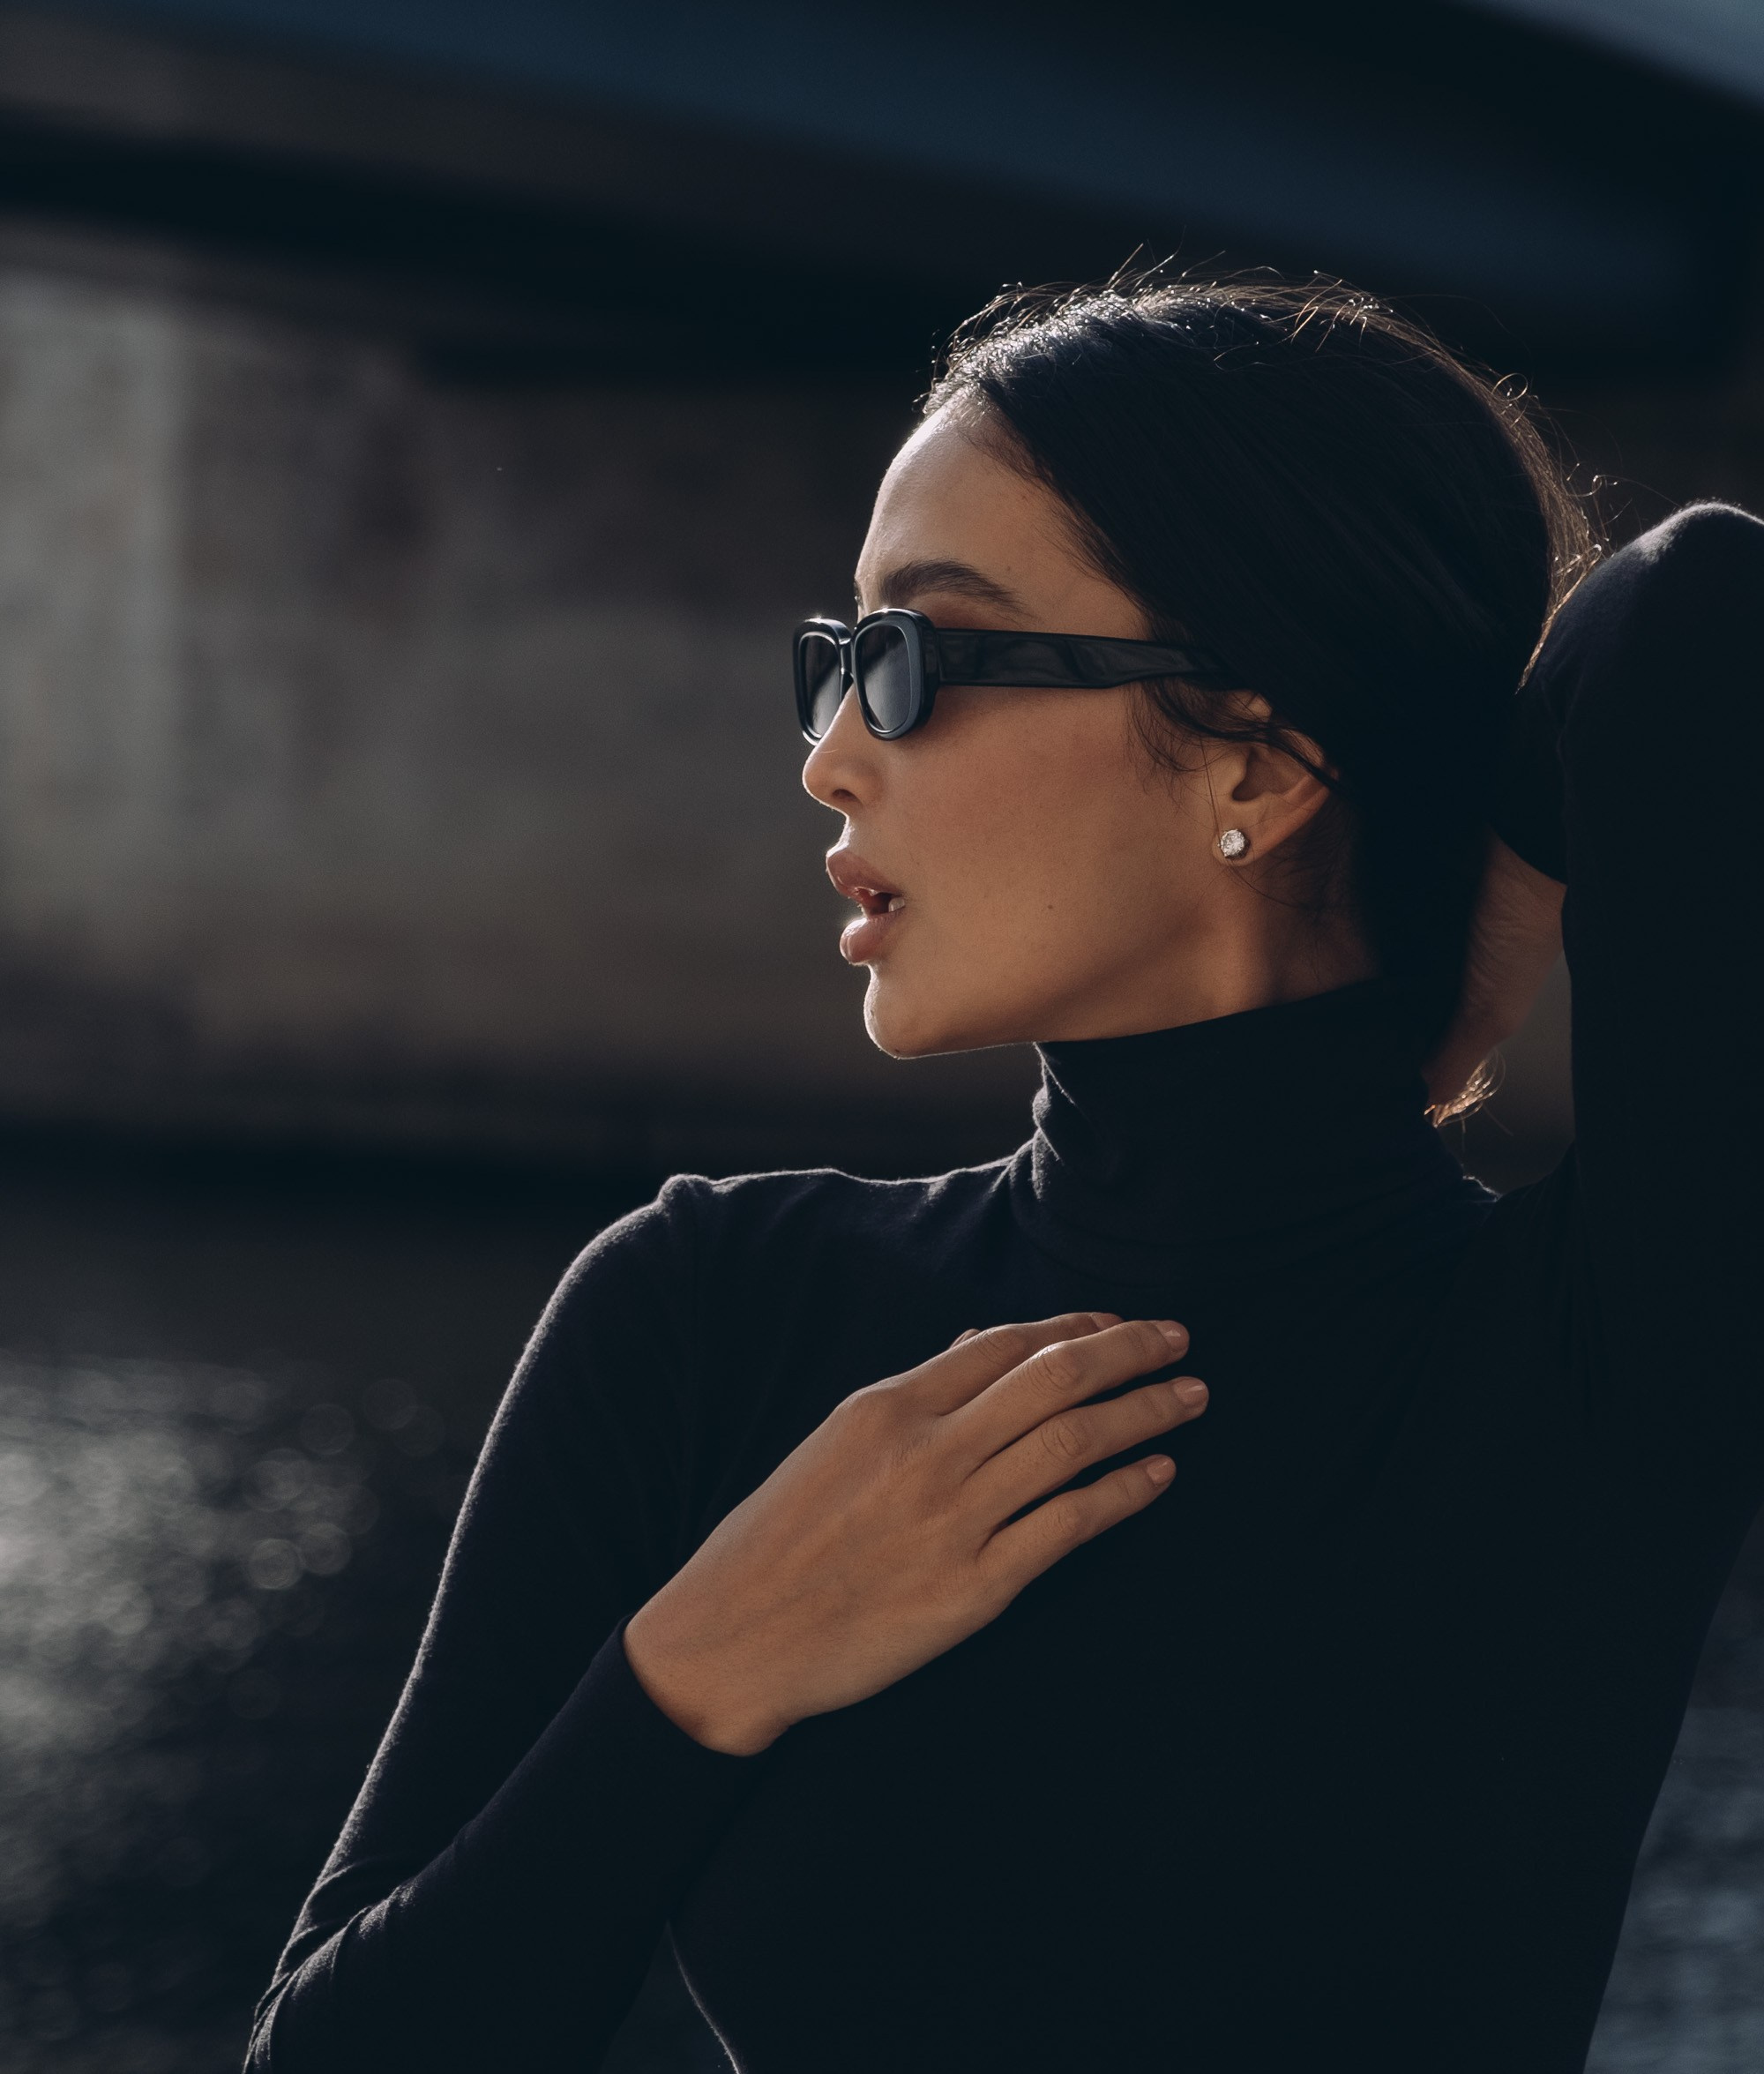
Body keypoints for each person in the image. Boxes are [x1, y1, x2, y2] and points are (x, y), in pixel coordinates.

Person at [244, 275, 1763, 2073]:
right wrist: (699, 1678)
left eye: (914, 663)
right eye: (835, 660)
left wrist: (1494, 917)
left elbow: (1703, 602)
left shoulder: (1589, 1358)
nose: (825, 758)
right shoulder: (713, 1311)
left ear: (1252, 764)